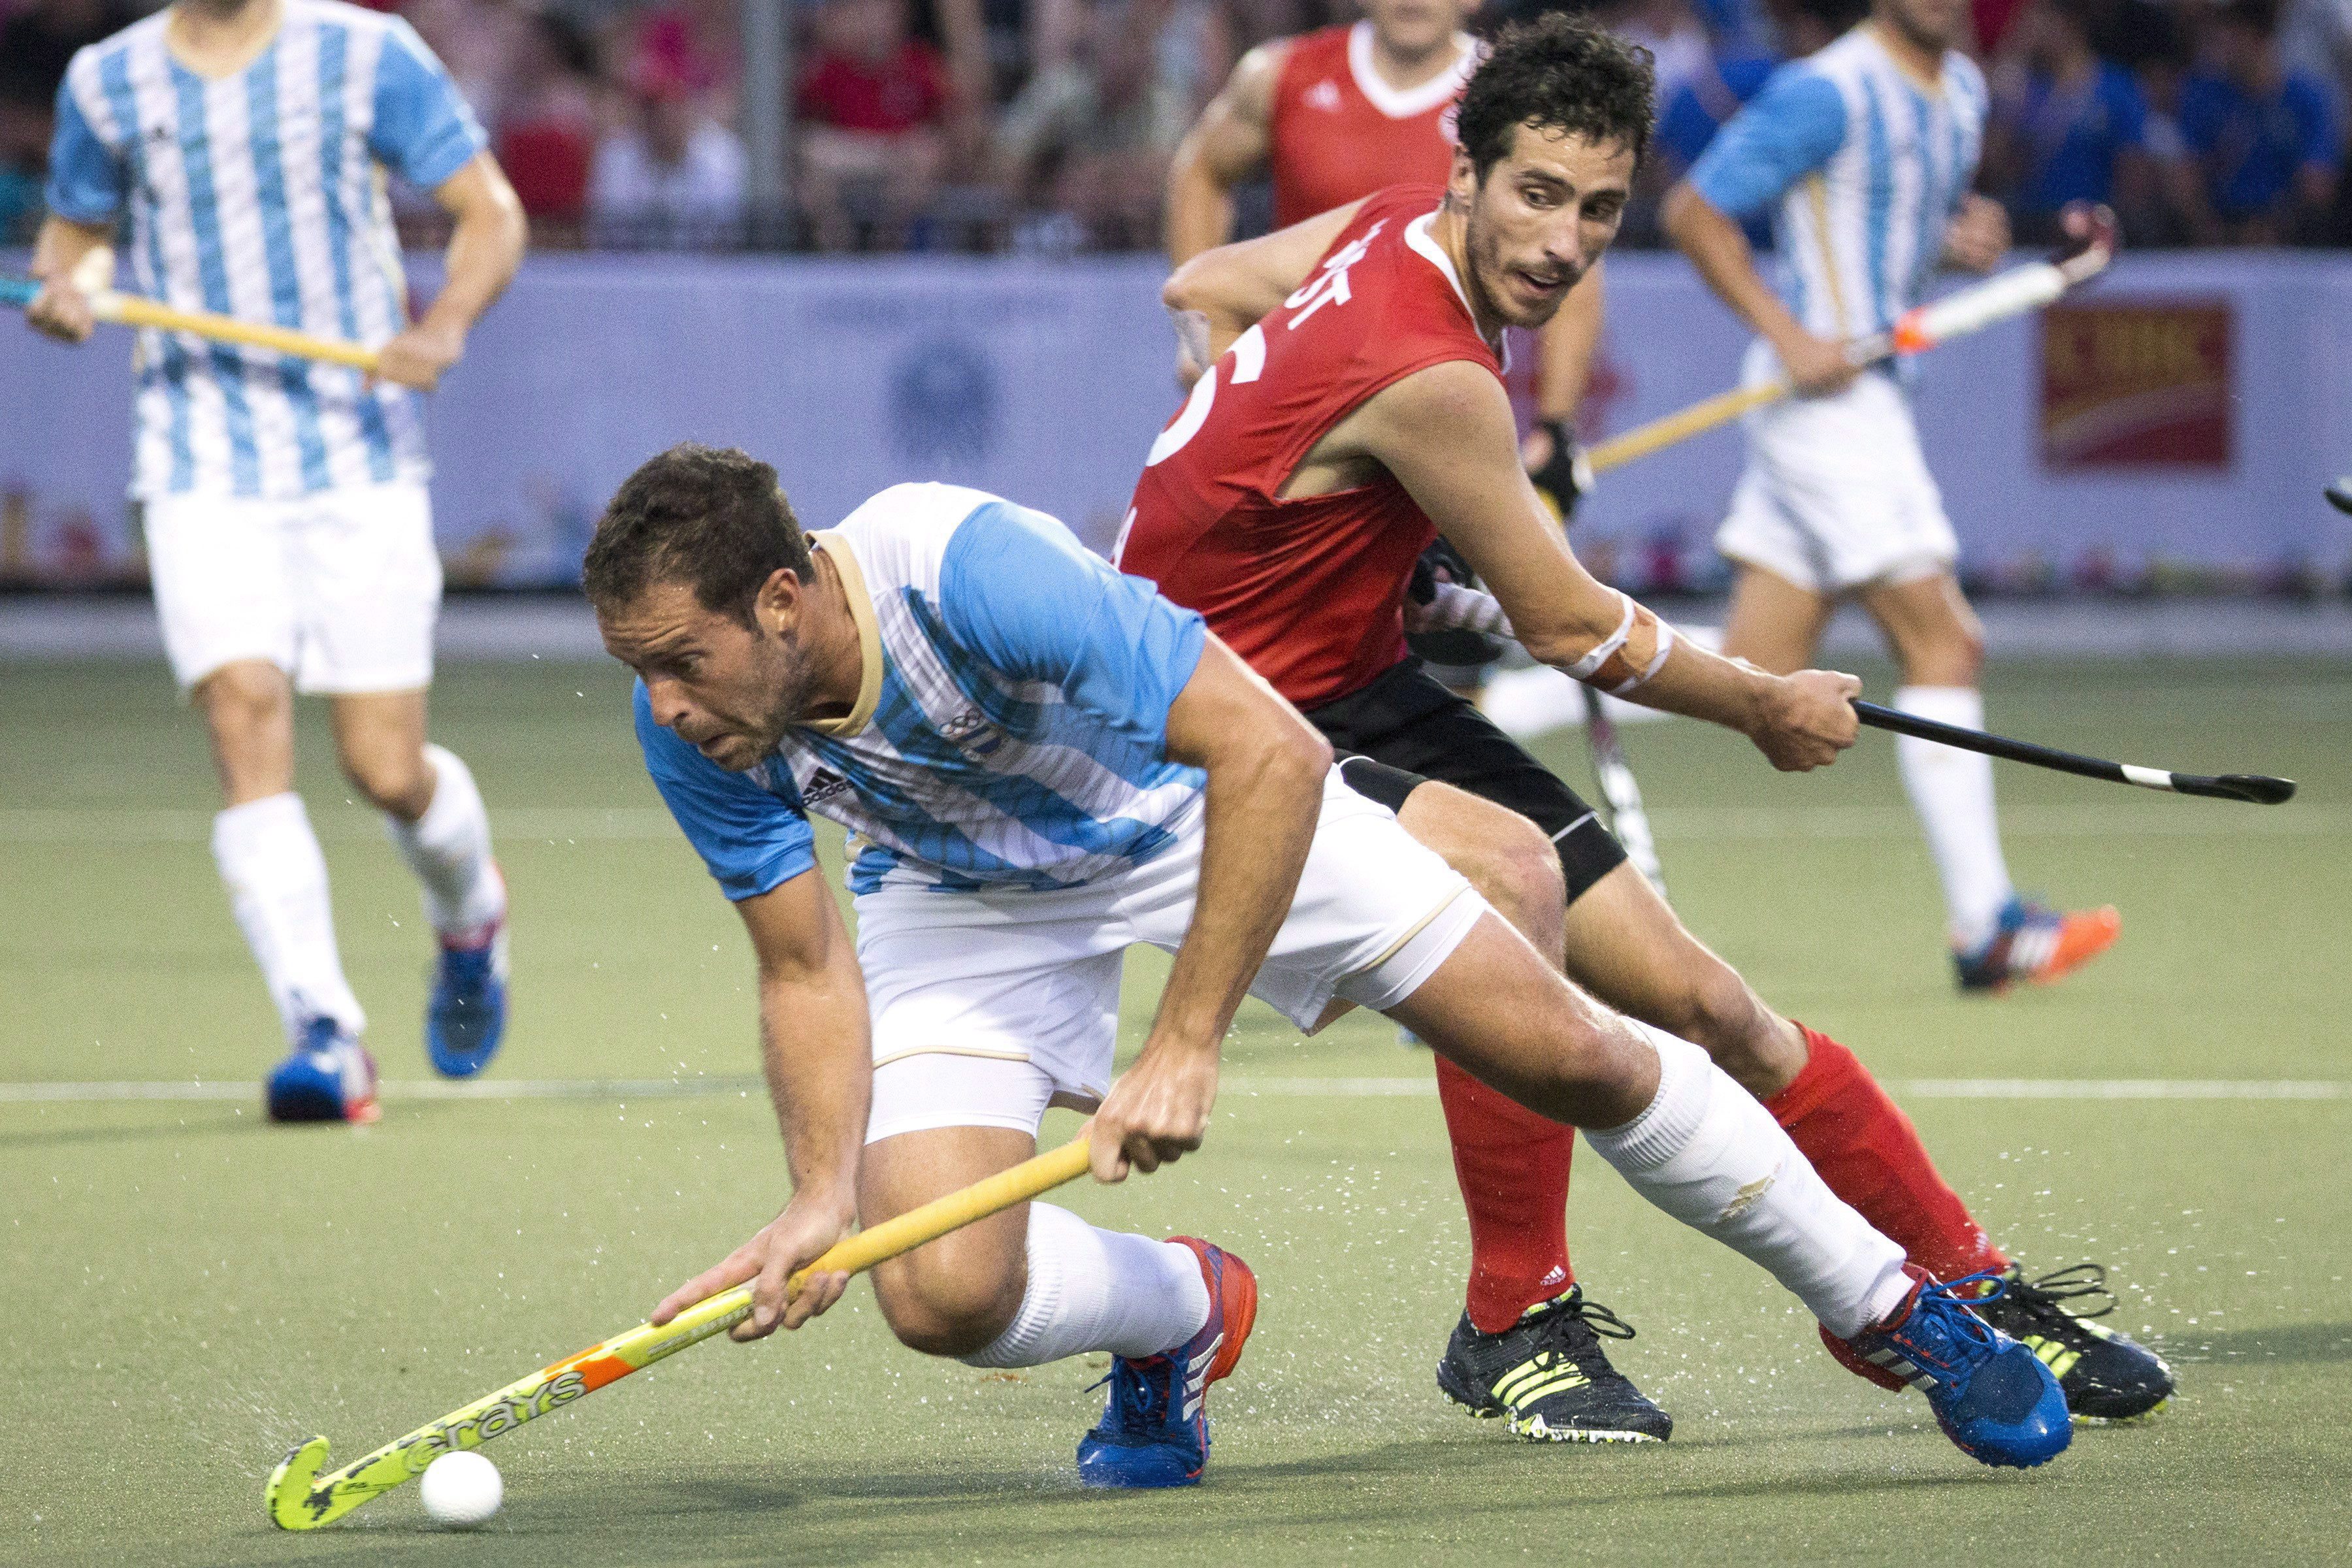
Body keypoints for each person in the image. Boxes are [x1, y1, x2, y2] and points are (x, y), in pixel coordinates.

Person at [587, 442, 2078, 1488]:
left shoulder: (962, 572)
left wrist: (1184, 1039)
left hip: (1190, 807)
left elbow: (1270, 747)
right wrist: (816, 1189)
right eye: (637, 668)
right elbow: (801, 966)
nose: (661, 700)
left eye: (678, 657)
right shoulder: (696, 724)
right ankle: (1183, 1310)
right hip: (959, 894)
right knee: (941, 1290)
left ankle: (1881, 1299)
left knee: (1581, 1054)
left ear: (782, 600)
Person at [1122, 12, 2173, 1442]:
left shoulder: (1387, 228)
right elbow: (1571, 631)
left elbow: (1204, 284)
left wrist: (1285, 466)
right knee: (1506, 883)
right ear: (1466, 176)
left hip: (1354, 683)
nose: (1563, 242)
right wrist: (1763, 701)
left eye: (1599, 209)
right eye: (1536, 195)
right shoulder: (1432, 372)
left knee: (1709, 1002)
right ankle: (1515, 1316)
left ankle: (1967, 1278)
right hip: (1205, 719)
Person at [25, 0, 527, 1122]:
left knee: (385, 769)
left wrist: (442, 323)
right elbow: (76, 236)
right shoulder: (108, 81)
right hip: (198, 456)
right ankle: (326, 1033)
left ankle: (470, 916)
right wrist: (70, 285)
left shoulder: (363, 54)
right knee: (244, 715)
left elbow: (489, 213)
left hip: (357, 455)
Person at [1659, 0, 2123, 993]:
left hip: (1867, 402)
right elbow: (1694, 213)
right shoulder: (1826, 89)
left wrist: (1958, 244)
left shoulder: (1959, 87)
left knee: (1750, 671)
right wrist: (1788, 335)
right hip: (1827, 409)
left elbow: (1894, 224)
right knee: (1946, 642)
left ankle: (1501, 693)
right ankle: (1987, 928)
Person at [1163, 0, 1598, 533]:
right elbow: (1200, 172)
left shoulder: (1519, 98)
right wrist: (1200, 335)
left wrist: (1555, 427)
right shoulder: (1280, 75)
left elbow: (1566, 257)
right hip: (1290, 419)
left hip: (1440, 424)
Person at [2175, 0, 2340, 244]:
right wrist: (2217, 232)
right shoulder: (2202, 95)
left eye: (2229, 36)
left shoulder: (2308, 97)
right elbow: (2186, 177)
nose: (2218, 46)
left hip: (2290, 229)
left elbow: (2320, 182)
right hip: (2223, 228)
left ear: (2257, 39)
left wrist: (2277, 227)